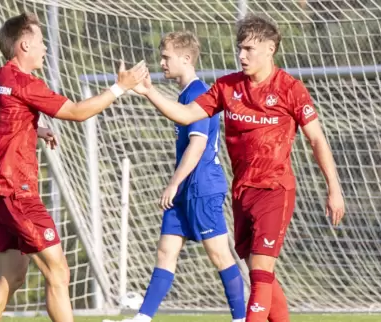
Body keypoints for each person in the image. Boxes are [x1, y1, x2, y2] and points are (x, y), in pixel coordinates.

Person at [132, 14, 345, 322]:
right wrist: (149, 91)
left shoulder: (290, 89)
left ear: (270, 49)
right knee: (259, 271)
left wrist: (334, 189)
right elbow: (185, 114)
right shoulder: (227, 87)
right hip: (242, 192)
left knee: (259, 271)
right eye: (239, 48)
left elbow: (317, 140)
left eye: (249, 49)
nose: (241, 55)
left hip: (275, 190)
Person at [0, 12, 147, 322]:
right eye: (41, 42)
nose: (45, 48)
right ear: (24, 45)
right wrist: (120, 88)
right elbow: (78, 112)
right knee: (58, 271)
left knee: (10, 277)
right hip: (19, 192)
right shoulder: (24, 83)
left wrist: (30, 129)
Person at [105, 31, 245, 322]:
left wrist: (173, 183)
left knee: (220, 257)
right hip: (185, 190)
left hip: (202, 187)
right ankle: (142, 319)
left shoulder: (199, 94)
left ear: (186, 58)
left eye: (166, 56)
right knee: (165, 252)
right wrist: (145, 90)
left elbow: (198, 145)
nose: (162, 62)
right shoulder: (184, 94)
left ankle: (241, 318)